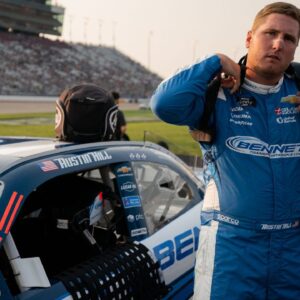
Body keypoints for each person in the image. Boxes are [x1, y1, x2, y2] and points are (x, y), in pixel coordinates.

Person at [151, 2, 300, 299]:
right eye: (269, 33)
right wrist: (215, 61)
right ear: (249, 38)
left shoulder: (297, 92)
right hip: (232, 246)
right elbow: (164, 105)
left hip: (292, 245)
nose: (277, 44)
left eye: (289, 38)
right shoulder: (217, 91)